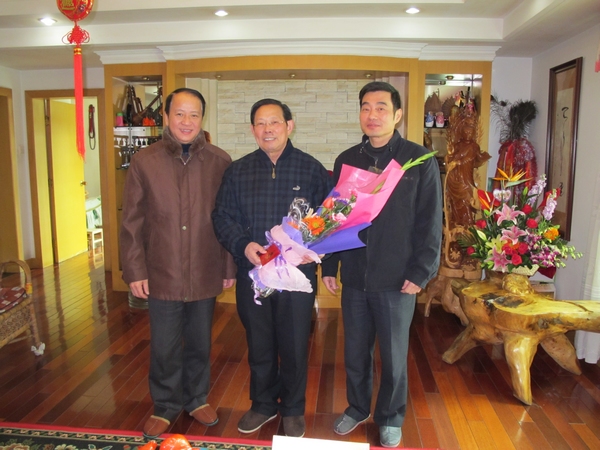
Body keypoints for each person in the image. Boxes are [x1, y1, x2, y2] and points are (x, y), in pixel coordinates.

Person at [321, 81, 442, 448]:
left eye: (381, 108)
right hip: (355, 274)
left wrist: (420, 272)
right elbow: (335, 218)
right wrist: (330, 266)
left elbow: (431, 221)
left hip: (398, 278)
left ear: (397, 114)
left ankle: (390, 417)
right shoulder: (346, 160)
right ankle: (357, 408)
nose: (372, 115)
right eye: (365, 107)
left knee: (393, 356)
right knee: (355, 351)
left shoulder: (418, 159)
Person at [212, 98, 333, 438]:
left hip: (296, 277)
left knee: (294, 345)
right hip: (253, 275)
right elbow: (222, 216)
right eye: (260, 124)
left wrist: (313, 251)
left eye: (275, 122)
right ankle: (263, 404)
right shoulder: (237, 171)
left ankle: (293, 408)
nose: (268, 129)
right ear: (253, 130)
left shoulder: (311, 169)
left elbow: (327, 221)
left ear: (289, 126)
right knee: (260, 343)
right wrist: (243, 245)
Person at [120, 87, 236, 439]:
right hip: (161, 270)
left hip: (205, 266)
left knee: (200, 341)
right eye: (180, 114)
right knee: (165, 345)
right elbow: (131, 221)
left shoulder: (219, 161)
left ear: (202, 118)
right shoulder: (145, 161)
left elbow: (228, 219)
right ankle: (166, 405)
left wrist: (228, 267)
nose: (187, 121)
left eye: (194, 114)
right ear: (167, 117)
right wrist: (135, 270)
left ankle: (197, 398)